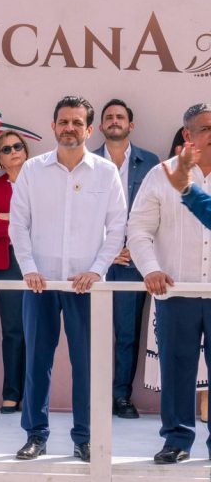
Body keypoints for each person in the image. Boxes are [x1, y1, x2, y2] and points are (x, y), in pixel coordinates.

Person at [9, 95, 127, 463]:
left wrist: (97, 270)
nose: (69, 128)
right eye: (64, 122)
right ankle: (35, 434)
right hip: (40, 284)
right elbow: (18, 224)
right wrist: (29, 268)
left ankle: (85, 437)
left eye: (77, 122)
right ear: (53, 126)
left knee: (87, 364)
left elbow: (117, 226)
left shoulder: (105, 172)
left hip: (84, 286)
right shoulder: (33, 170)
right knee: (37, 362)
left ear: (90, 130)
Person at [129, 104, 211, 464]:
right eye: (207, 128)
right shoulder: (161, 175)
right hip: (175, 292)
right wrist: (150, 269)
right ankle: (177, 440)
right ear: (188, 135)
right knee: (176, 368)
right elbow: (138, 229)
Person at [92, 99, 161, 419]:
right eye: (109, 117)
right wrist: (104, 248)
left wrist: (136, 247)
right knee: (89, 332)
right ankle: (93, 395)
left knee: (127, 333)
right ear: (100, 126)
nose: (114, 121)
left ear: (130, 125)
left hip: (134, 263)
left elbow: (158, 210)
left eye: (120, 117)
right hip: (94, 262)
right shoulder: (88, 162)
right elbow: (80, 214)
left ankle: (120, 396)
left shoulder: (151, 163)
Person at [0, 131, 31, 413]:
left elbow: (45, 223)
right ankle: (11, 393)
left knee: (37, 329)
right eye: (6, 149)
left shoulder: (40, 182)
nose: (14, 151)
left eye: (18, 146)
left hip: (37, 261)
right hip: (7, 262)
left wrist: (8, 217)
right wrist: (20, 221)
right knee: (12, 329)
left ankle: (34, 394)